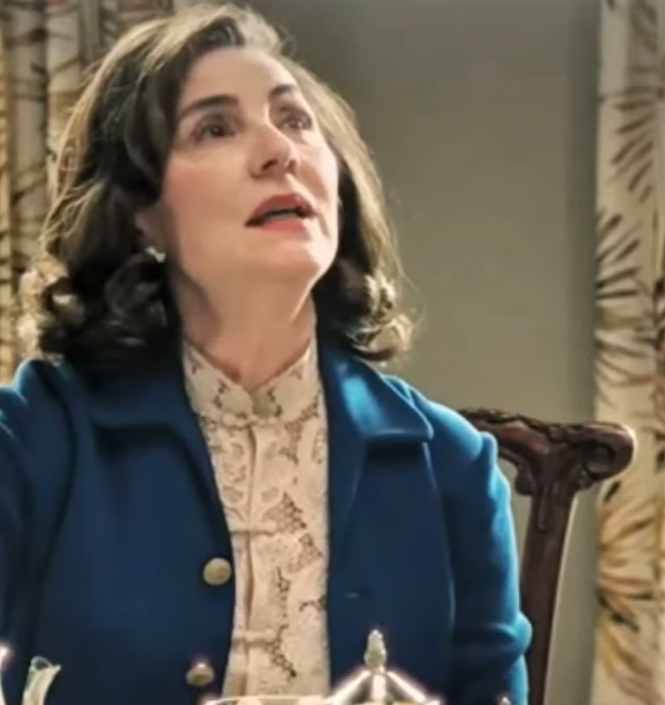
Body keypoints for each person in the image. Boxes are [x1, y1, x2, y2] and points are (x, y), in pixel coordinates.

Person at [0, 4, 531, 705]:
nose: (280, 151)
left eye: (295, 119)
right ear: (140, 214)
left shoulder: (451, 464)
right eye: (214, 128)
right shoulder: (35, 433)